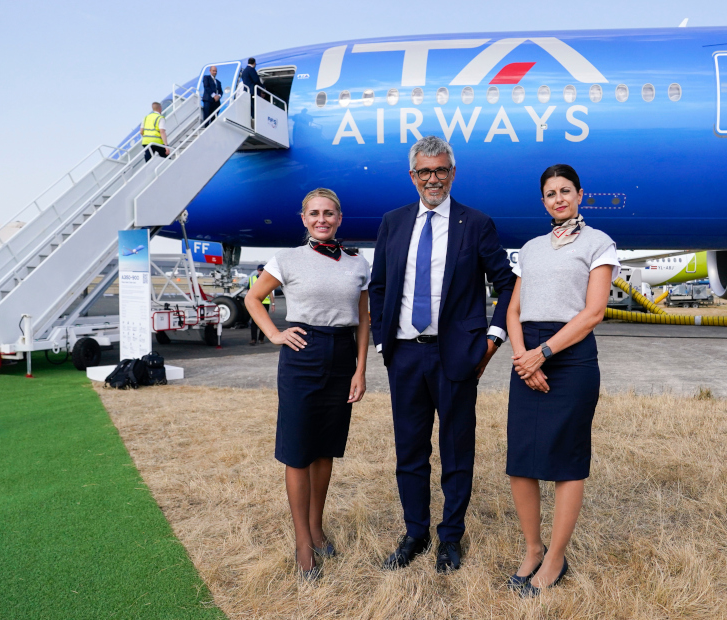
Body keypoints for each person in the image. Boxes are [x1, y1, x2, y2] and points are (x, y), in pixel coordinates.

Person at [369, 135, 515, 574]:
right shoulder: (392, 223)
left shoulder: (476, 223)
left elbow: (506, 284)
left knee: (456, 451)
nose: (433, 178)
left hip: (456, 357)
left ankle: (450, 537)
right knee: (410, 451)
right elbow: (378, 287)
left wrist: (491, 340)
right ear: (412, 176)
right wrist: (382, 341)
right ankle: (415, 533)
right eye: (425, 171)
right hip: (405, 358)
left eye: (441, 170)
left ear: (453, 173)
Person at [243, 188, 370, 577]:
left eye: (329, 213)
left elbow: (364, 319)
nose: (322, 219)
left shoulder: (357, 262)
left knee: (325, 450)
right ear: (303, 219)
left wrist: (360, 369)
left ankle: (317, 528)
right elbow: (253, 298)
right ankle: (302, 542)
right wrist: (276, 334)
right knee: (298, 451)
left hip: (342, 353)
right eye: (314, 213)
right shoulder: (287, 259)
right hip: (303, 354)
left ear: (339, 218)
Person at [505, 164, 618, 597]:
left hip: (569, 357)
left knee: (567, 461)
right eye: (550, 193)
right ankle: (532, 549)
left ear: (580, 194)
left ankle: (555, 558)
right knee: (522, 460)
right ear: (543, 200)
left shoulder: (598, 243)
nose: (558, 199)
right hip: (526, 354)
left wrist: (544, 353)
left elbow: (593, 313)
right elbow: (512, 310)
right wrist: (523, 358)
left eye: (565, 191)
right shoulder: (530, 248)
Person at [247, 264, 273, 345]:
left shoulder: (267, 279)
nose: (262, 272)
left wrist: (273, 303)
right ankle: (253, 339)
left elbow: (270, 292)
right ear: (257, 270)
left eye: (263, 270)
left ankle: (261, 338)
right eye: (260, 270)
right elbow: (248, 291)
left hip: (265, 302)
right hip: (255, 302)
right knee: (254, 321)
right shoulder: (252, 279)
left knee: (264, 321)